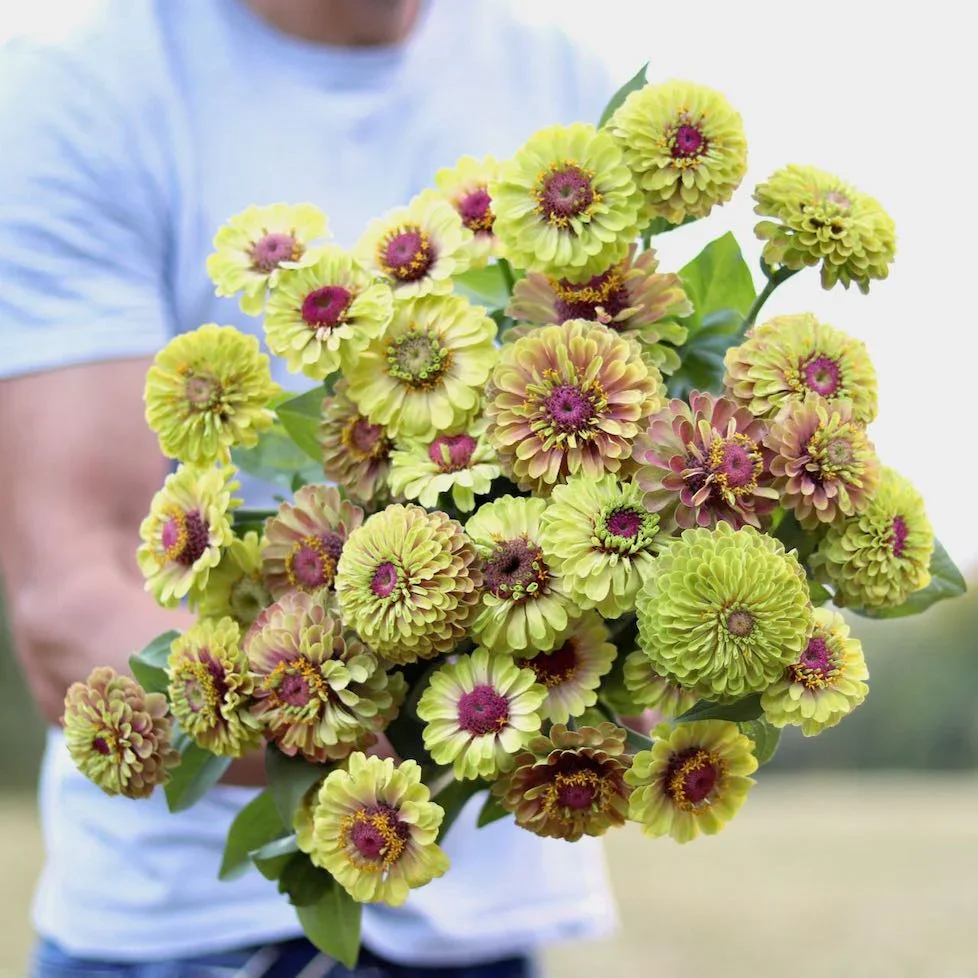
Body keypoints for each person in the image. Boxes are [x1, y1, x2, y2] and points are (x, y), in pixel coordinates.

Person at [0, 1, 620, 975]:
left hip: (491, 932)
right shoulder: (88, 89)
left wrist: (639, 658)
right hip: (193, 939)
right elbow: (68, 605)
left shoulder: (569, 91)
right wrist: (417, 715)